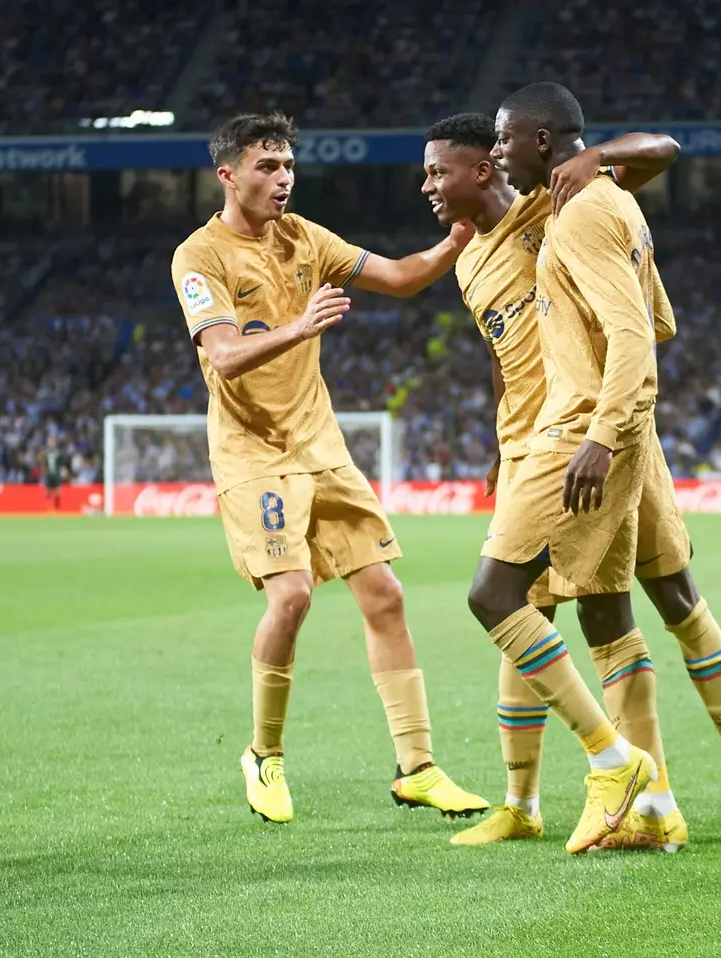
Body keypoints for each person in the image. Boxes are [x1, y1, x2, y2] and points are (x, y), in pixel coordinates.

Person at [424, 109, 721, 848]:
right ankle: (542, 803)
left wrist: (597, 156)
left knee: (659, 596)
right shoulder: (464, 261)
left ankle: (715, 776)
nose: (426, 185)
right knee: (562, 613)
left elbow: (665, 150)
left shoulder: (550, 206)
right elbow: (503, 349)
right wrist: (500, 435)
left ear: (487, 165)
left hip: (594, 431)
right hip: (538, 438)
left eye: (436, 171)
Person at [170, 112, 487, 825]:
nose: (283, 180)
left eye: (288, 166)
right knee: (293, 598)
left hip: (321, 447)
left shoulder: (308, 239)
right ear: (228, 175)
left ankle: (418, 768)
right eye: (267, 167)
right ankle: (264, 755)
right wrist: (299, 327)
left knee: (385, 594)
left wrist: (458, 238)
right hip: (253, 453)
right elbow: (221, 355)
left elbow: (403, 277)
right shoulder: (199, 256)